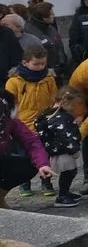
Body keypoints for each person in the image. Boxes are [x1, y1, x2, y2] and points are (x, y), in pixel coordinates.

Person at [5, 44, 57, 196]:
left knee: (45, 154)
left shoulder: (49, 78)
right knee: (24, 156)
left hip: (44, 123)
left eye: (43, 64)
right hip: (24, 123)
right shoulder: (14, 81)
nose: (40, 67)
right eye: (36, 64)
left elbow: (53, 99)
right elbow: (10, 104)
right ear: (25, 62)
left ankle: (46, 181)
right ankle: (24, 183)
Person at [34, 85, 84, 208]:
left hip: (55, 150)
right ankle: (62, 195)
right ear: (66, 102)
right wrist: (74, 150)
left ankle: (65, 192)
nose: (73, 108)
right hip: (64, 151)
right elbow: (65, 136)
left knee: (70, 172)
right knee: (69, 172)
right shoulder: (61, 117)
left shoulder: (47, 113)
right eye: (73, 105)